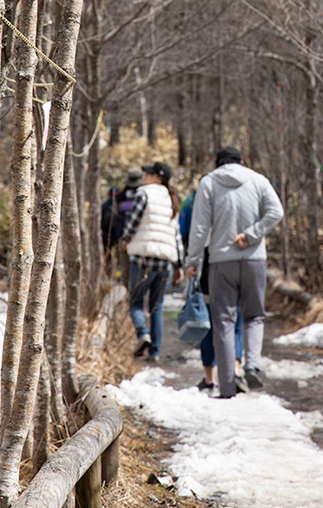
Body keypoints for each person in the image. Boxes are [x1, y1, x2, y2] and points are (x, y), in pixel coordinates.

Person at [184, 146, 284, 398]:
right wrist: (251, 235)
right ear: (241, 161)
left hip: (221, 261)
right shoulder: (258, 180)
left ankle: (227, 388)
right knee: (254, 317)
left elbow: (199, 228)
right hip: (254, 260)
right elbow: (276, 212)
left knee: (224, 322)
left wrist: (193, 260)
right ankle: (251, 365)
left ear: (218, 164)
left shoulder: (208, 183)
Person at [181, 190, 245, 394]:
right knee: (235, 320)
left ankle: (210, 378)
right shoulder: (241, 196)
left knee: (207, 324)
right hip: (237, 261)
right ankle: (235, 371)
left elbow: (189, 232)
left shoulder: (194, 200)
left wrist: (191, 262)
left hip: (209, 263)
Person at [121, 161, 183, 361]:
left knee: (136, 303)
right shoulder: (172, 198)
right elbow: (177, 235)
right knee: (157, 307)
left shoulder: (143, 194)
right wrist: (179, 264)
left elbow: (134, 221)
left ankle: (142, 333)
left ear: (158, 177)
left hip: (143, 258)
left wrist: (126, 238)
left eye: (148, 174)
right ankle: (154, 352)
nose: (145, 177)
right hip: (165, 263)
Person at [100, 169, 141, 276]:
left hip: (122, 238)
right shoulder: (144, 196)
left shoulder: (120, 199)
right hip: (139, 238)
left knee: (126, 270)